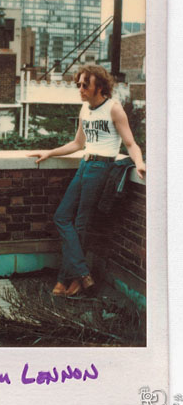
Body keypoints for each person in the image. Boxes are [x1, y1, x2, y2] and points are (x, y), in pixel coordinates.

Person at [28, 65, 146, 297]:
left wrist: (139, 162)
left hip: (102, 166)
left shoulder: (113, 109)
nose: (80, 89)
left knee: (81, 223)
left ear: (100, 87)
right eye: (79, 84)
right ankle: (82, 274)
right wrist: (50, 152)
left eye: (85, 85)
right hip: (85, 164)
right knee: (62, 217)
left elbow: (130, 143)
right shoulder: (84, 109)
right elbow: (77, 144)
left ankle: (66, 281)